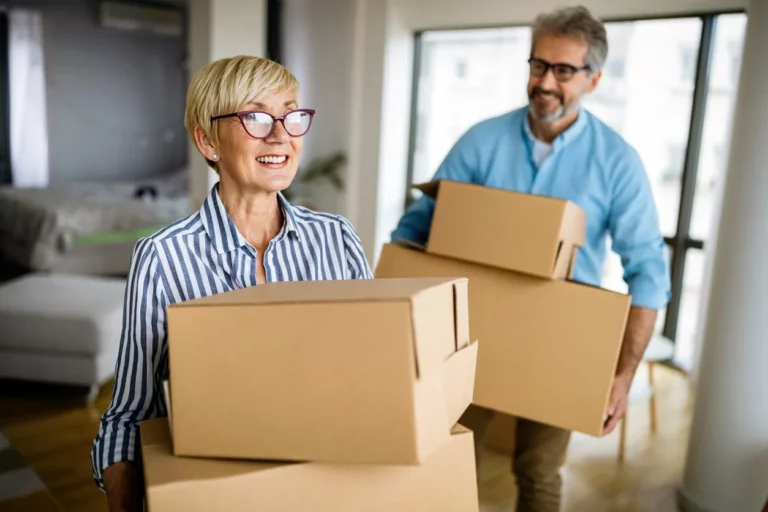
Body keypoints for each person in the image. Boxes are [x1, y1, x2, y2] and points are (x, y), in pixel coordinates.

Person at [392, 6, 670, 512]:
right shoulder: (483, 139)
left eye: (563, 70)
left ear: (595, 78)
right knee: (449, 457)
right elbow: (416, 229)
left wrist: (622, 376)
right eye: (538, 65)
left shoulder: (616, 161)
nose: (545, 82)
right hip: (471, 334)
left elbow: (648, 273)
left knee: (539, 473)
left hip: (562, 344)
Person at [90, 55, 372, 511]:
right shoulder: (162, 257)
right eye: (257, 117)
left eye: (291, 115)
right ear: (208, 141)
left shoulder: (337, 239)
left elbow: (376, 374)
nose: (280, 134)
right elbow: (129, 416)